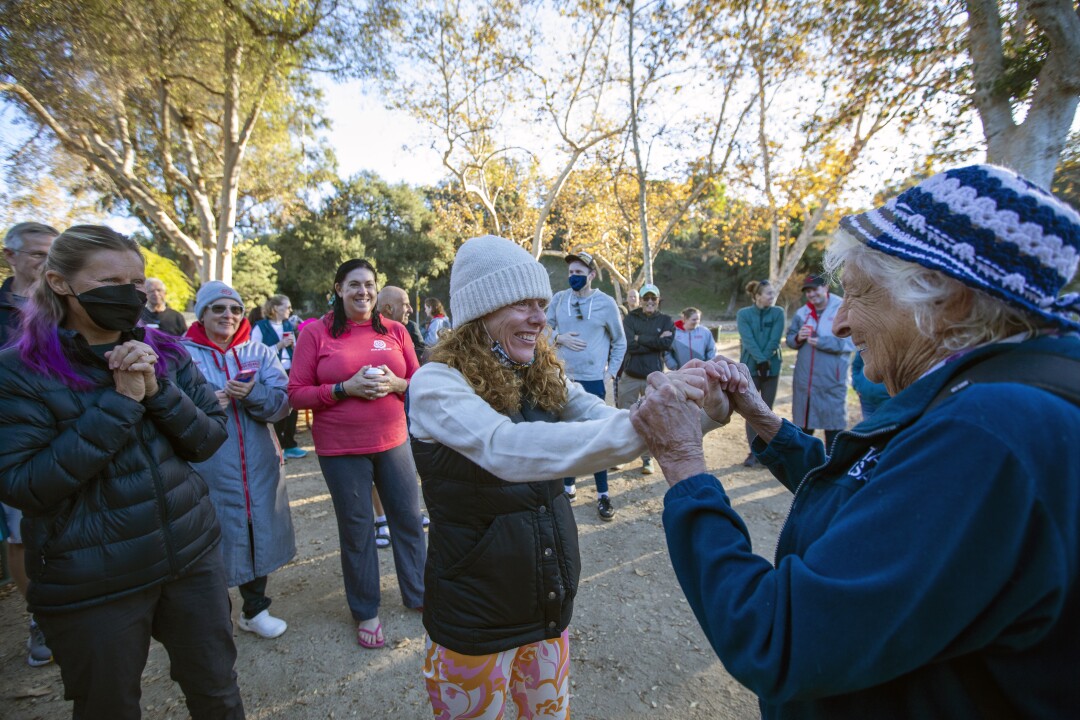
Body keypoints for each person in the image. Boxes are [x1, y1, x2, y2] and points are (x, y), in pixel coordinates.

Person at [631, 164, 1080, 718]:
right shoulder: (999, 397)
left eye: (859, 295)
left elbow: (779, 637)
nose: (839, 324)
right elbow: (885, 499)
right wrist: (767, 422)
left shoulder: (987, 430)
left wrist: (683, 462)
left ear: (953, 302)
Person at [407, 234, 723, 720]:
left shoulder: (541, 373)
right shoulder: (435, 383)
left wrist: (706, 408)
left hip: (545, 601)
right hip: (473, 617)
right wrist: (651, 424)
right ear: (480, 313)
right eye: (522, 304)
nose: (540, 317)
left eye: (541, 302)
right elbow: (504, 448)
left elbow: (603, 418)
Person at [0, 225, 243, 718]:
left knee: (217, 691)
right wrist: (120, 401)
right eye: (111, 281)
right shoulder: (19, 371)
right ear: (61, 282)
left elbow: (207, 439)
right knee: (108, 706)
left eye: (137, 283)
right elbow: (26, 485)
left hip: (189, 557)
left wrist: (157, 389)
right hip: (93, 579)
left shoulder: (169, 352)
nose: (129, 294)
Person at [288, 259, 426, 649]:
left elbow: (419, 382)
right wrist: (342, 389)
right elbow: (296, 392)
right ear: (338, 289)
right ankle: (366, 610)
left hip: (394, 442)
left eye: (368, 285)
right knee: (357, 531)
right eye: (354, 285)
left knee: (409, 521)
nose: (362, 292)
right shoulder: (315, 334)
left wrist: (398, 382)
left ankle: (418, 593)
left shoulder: (396, 331)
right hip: (341, 449)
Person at [183, 282, 297, 640]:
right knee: (212, 531)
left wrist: (253, 394)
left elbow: (283, 403)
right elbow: (163, 408)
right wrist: (202, 406)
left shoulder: (259, 352)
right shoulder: (182, 355)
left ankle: (255, 608)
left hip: (259, 459)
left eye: (234, 309)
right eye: (218, 308)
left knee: (255, 525)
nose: (228, 316)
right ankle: (215, 614)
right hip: (207, 462)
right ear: (202, 313)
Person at [0, 220, 58, 668]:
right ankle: (39, 616)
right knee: (22, 533)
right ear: (11, 256)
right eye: (38, 253)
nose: (46, 261)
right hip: (18, 438)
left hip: (72, 430)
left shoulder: (69, 306)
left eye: (53, 253)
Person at [546, 249, 626, 519]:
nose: (574, 277)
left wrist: (611, 373)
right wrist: (559, 338)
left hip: (594, 381)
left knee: (596, 437)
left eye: (579, 273)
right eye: (571, 273)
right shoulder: (559, 300)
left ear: (591, 275)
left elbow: (620, 341)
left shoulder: (606, 304)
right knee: (566, 435)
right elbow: (541, 331)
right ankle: (568, 487)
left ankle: (603, 494)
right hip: (562, 379)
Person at [785, 274, 854, 452]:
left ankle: (832, 472)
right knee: (804, 431)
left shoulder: (842, 309)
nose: (811, 294)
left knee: (834, 431)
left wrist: (822, 342)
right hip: (805, 383)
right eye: (807, 291)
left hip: (831, 380)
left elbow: (852, 341)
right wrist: (797, 338)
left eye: (814, 289)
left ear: (825, 288)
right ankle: (805, 472)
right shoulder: (802, 313)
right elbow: (790, 339)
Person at [618, 283, 674, 474]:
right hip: (631, 375)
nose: (649, 301)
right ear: (640, 300)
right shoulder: (631, 319)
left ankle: (647, 459)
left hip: (654, 378)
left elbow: (666, 344)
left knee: (652, 418)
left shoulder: (666, 320)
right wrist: (654, 341)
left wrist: (639, 338)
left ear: (658, 300)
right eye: (646, 298)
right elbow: (628, 345)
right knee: (624, 417)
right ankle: (623, 457)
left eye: (653, 298)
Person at [251, 294, 307, 460]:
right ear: (275, 309)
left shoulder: (288, 325)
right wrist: (279, 346)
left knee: (293, 407)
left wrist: (294, 345)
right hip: (271, 374)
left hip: (290, 370)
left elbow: (295, 351)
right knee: (276, 408)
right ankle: (277, 446)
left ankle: (290, 444)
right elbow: (255, 353)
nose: (290, 310)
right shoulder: (260, 327)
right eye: (287, 307)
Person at [736, 280, 784, 467]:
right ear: (757, 296)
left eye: (773, 293)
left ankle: (767, 451)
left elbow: (775, 338)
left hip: (771, 368)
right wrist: (760, 359)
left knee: (766, 411)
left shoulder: (778, 312)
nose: (772, 297)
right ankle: (754, 452)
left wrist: (766, 360)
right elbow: (747, 339)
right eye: (769, 294)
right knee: (752, 410)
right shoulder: (744, 314)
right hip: (751, 368)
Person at [850, 352, 890, 421]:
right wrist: (857, 386)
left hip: (887, 399)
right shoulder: (865, 345)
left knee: (886, 428)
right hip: (866, 399)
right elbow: (856, 366)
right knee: (869, 428)